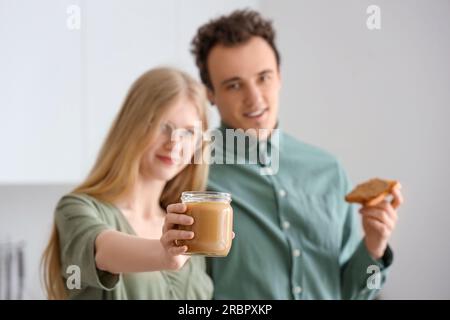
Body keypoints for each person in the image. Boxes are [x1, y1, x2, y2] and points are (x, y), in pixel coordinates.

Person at [188, 9, 404, 299]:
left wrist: (373, 247)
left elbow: (354, 294)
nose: (254, 98)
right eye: (234, 85)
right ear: (210, 94)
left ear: (279, 76)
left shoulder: (328, 170)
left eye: (263, 78)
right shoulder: (191, 171)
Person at [41, 67, 214, 299]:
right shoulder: (76, 209)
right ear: (132, 125)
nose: (174, 143)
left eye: (188, 133)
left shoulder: (185, 228)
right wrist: (163, 255)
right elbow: (103, 251)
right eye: (164, 127)